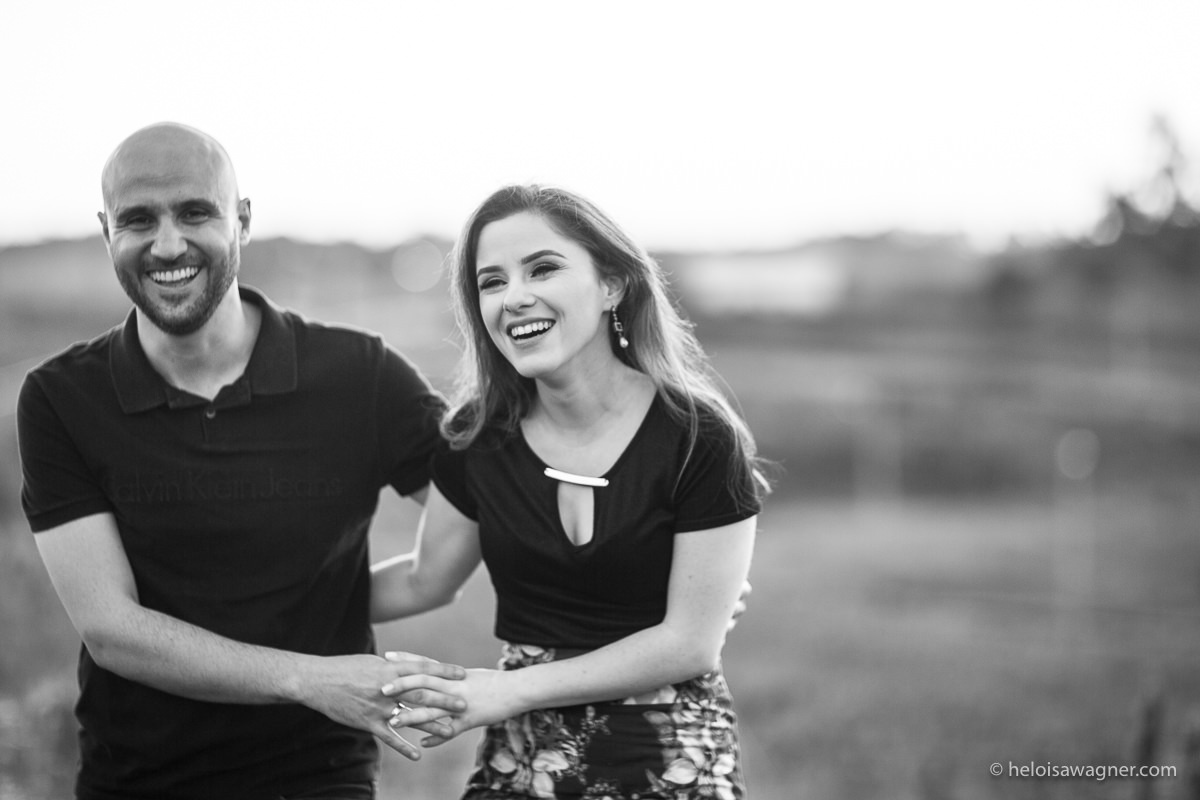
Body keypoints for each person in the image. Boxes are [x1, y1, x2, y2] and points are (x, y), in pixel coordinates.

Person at [16, 122, 468, 800]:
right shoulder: (61, 398)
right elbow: (113, 632)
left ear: (243, 220)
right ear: (107, 231)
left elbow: (479, 506)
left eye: (195, 212)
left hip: (319, 779)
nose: (168, 244)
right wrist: (311, 675)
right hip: (135, 782)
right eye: (138, 220)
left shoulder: (359, 374)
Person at [369, 184, 768, 799]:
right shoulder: (478, 438)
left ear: (612, 284)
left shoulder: (697, 437)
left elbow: (689, 644)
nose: (514, 297)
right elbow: (426, 580)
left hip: (669, 759)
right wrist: (263, 601)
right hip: (522, 758)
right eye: (492, 282)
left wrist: (506, 690)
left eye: (543, 269)